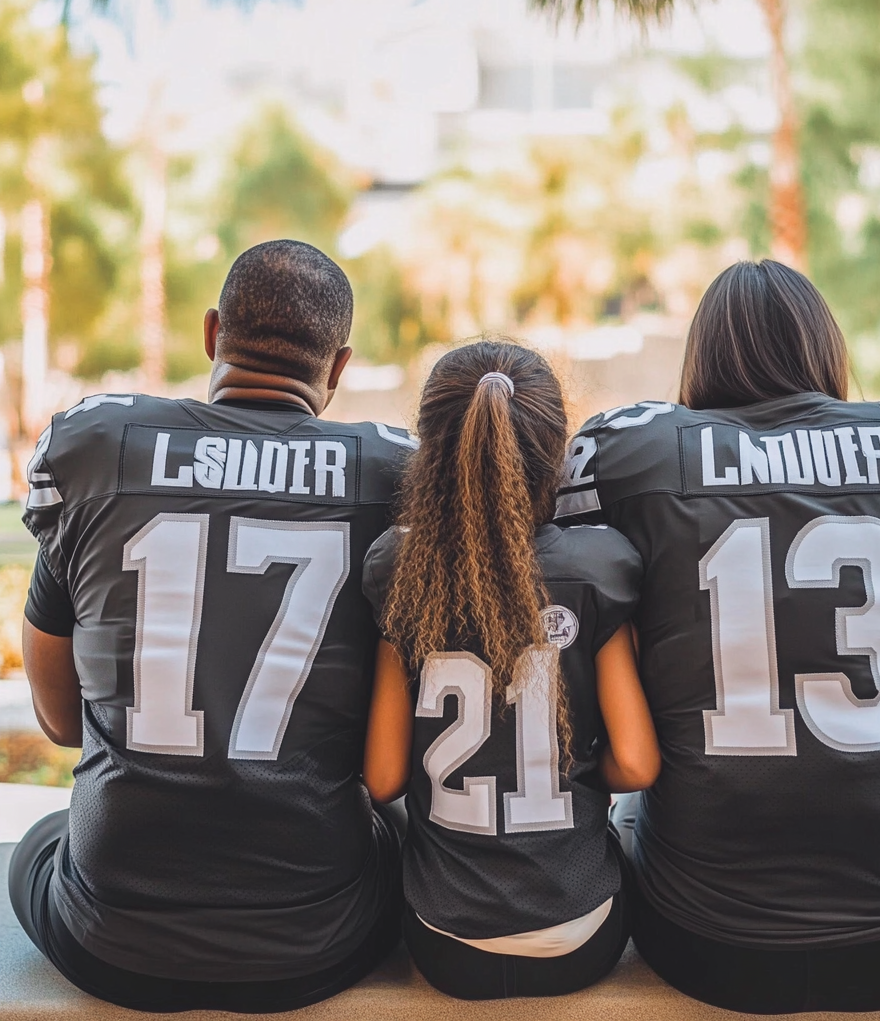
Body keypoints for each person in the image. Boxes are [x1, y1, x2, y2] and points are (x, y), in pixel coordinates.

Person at [556, 260, 880, 1014]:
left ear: (701, 359)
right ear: (826, 352)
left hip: (701, 944)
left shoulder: (626, 454)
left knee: (646, 805)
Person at [10, 239, 418, 1013]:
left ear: (210, 334)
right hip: (316, 944)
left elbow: (61, 722)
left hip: (111, 942)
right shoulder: (393, 471)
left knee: (38, 844)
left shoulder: (97, 446)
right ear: (337, 368)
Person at [360, 340, 661, 1000]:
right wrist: (574, 777)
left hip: (445, 944)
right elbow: (638, 766)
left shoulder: (395, 569)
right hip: (580, 937)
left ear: (431, 456)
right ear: (555, 449)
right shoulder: (596, 569)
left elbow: (382, 778)